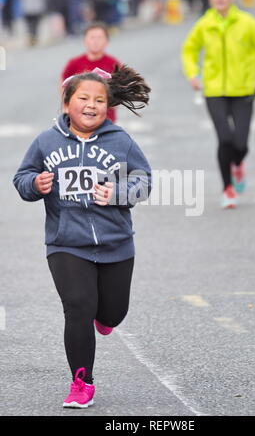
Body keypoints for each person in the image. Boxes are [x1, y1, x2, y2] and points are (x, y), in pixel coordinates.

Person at [13, 65, 152, 409]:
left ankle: (105, 318)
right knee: (78, 307)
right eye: (84, 98)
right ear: (66, 103)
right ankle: (81, 382)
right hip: (66, 244)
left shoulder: (120, 140)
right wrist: (35, 184)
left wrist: (118, 192)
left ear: (108, 106)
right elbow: (22, 176)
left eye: (99, 100)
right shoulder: (46, 141)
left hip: (116, 242)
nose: (92, 105)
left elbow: (144, 180)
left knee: (112, 313)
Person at [181, 0, 255, 209]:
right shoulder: (205, 24)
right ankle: (228, 189)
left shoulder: (247, 23)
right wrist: (193, 74)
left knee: (242, 144)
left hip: (244, 89)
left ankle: (238, 163)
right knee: (224, 138)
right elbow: (189, 51)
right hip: (214, 89)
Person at [61, 22, 120, 123]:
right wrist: (66, 106)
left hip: (106, 119)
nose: (95, 41)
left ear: (106, 41)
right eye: (92, 37)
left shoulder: (113, 63)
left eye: (100, 38)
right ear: (85, 40)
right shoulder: (74, 63)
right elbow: (63, 86)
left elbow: (120, 90)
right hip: (79, 119)